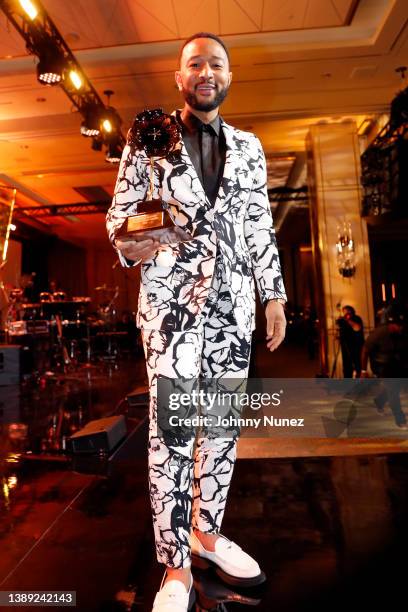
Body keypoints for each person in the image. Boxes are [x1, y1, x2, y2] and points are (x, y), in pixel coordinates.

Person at [107, 32, 287, 611]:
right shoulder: (149, 141)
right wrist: (158, 230)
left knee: (222, 432)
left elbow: (258, 224)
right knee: (174, 435)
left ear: (228, 77)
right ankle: (175, 567)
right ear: (179, 78)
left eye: (216, 63)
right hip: (172, 309)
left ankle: (206, 533)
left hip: (233, 311)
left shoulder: (251, 147)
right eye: (194, 64)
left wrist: (273, 295)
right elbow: (120, 225)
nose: (206, 72)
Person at [361, 304, 408, 429]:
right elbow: (365, 350)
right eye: (398, 325)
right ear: (391, 324)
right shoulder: (379, 333)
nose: (400, 328)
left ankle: (379, 401)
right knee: (393, 390)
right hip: (383, 365)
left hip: (399, 364)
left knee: (397, 387)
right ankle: (400, 419)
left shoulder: (403, 332)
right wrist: (363, 370)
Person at [336, 305, 364, 377]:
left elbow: (357, 328)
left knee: (357, 366)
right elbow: (340, 332)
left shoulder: (357, 318)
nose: (345, 314)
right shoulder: (343, 321)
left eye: (346, 312)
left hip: (356, 347)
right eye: (344, 312)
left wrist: (347, 320)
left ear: (351, 311)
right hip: (345, 347)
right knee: (346, 368)